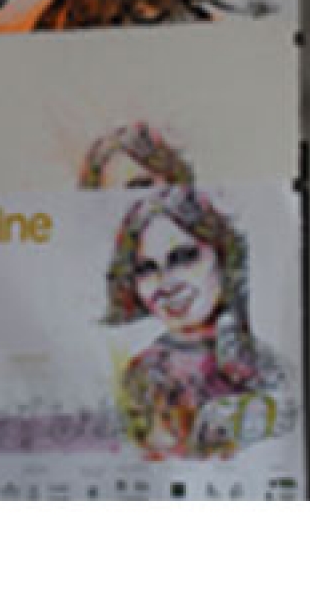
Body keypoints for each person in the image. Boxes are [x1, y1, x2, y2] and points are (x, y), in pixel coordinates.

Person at [101, 185, 290, 460]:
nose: (166, 284)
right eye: (146, 269)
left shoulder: (258, 361)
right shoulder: (142, 373)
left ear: (222, 255)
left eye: (183, 257)